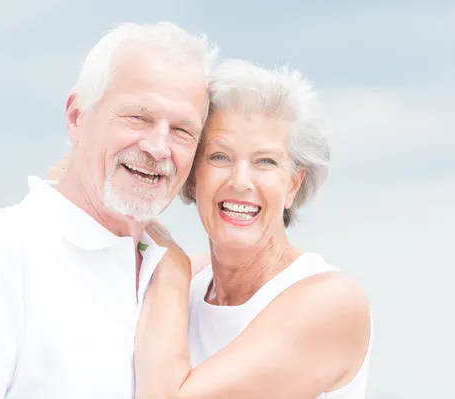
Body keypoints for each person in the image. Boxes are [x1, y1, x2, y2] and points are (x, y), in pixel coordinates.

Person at [0, 22, 218, 398]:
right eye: (138, 117)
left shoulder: (178, 284)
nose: (158, 147)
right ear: (77, 117)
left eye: (181, 131)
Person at [133, 60, 373, 398]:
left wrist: (171, 266)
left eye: (265, 161)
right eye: (219, 157)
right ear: (191, 180)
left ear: (292, 184)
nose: (241, 181)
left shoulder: (332, 302)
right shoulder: (189, 283)